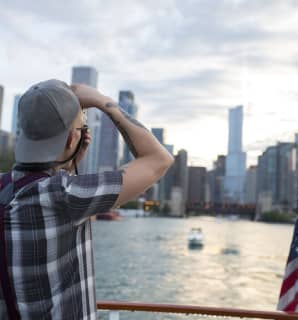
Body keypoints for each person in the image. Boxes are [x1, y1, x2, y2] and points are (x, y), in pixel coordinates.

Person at [0, 79, 174, 319]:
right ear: (72, 140)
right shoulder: (65, 195)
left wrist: (69, 166)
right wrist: (102, 101)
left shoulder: (8, 187)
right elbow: (159, 159)